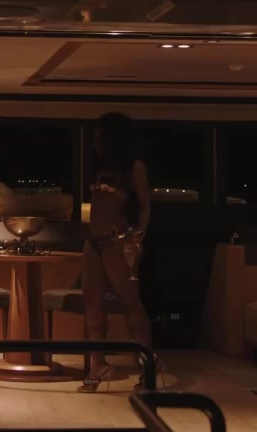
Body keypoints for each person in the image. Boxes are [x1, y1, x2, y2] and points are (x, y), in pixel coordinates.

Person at [78, 112, 155, 393]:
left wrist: (138, 238)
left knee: (130, 304)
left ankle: (147, 370)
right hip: (93, 242)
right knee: (93, 303)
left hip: (117, 241)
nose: (96, 141)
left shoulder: (135, 167)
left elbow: (145, 206)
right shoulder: (99, 168)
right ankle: (96, 365)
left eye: (100, 137)